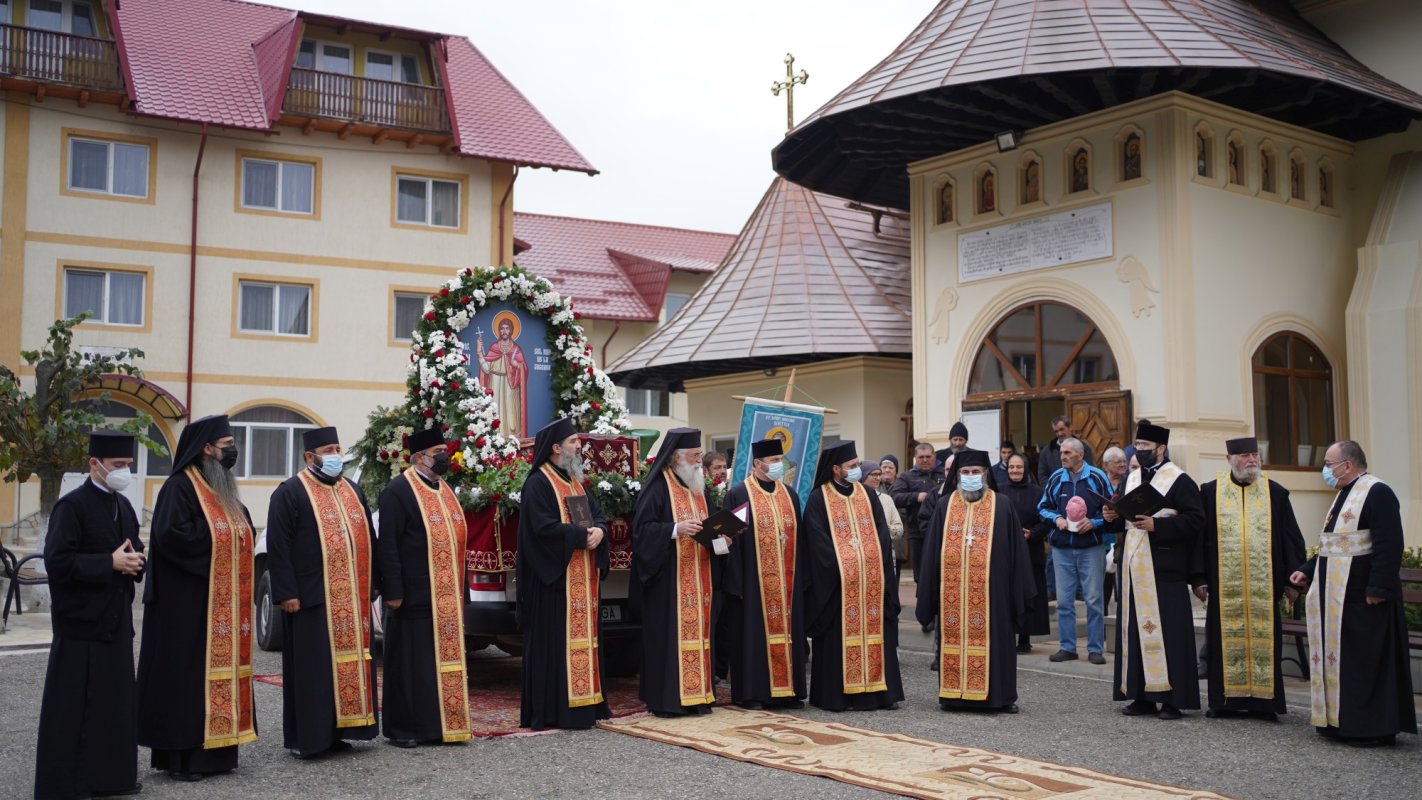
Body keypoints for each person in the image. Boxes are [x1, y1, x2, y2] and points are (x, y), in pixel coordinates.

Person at [137, 414, 256, 782]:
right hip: (185, 605)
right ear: (206, 449)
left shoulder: (220, 487)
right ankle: (183, 759)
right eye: (227, 445)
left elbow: (241, 526)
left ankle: (218, 754)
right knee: (186, 681)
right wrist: (223, 548)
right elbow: (173, 536)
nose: (232, 451)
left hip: (218, 604)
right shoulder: (179, 487)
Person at [35, 431, 145, 800]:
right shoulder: (72, 506)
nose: (123, 472)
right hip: (80, 626)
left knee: (113, 709)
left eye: (128, 465)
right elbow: (58, 563)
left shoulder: (123, 505)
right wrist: (109, 563)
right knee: (73, 711)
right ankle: (69, 784)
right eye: (117, 466)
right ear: (94, 464)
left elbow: (136, 548)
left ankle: (111, 778)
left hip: (115, 624)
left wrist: (135, 563)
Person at [1289, 440, 1416, 747]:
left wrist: (1378, 588)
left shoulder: (1377, 492)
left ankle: (1370, 728)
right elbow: (1331, 543)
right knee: (1341, 661)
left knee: (1364, 663)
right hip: (1337, 598)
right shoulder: (1343, 494)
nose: (1325, 471)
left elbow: (1389, 545)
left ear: (1347, 465)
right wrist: (1307, 568)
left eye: (1329, 464)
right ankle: (1337, 720)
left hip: (1362, 596)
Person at [265, 426, 378, 758]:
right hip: (310, 599)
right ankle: (310, 738)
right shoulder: (290, 492)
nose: (335, 455)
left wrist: (372, 584)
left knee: (345, 668)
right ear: (309, 456)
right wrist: (287, 593)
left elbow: (370, 539)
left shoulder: (353, 491)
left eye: (338, 448)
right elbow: (279, 547)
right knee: (313, 672)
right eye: (328, 449)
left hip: (350, 599)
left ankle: (342, 730)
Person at [1195, 437, 1305, 722]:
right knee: (1221, 643)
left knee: (1265, 644)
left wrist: (1293, 582)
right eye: (1245, 455)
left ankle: (1264, 705)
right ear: (1229, 458)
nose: (1252, 460)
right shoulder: (1210, 492)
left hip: (1264, 589)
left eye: (1255, 454)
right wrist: (1198, 578)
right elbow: (1198, 539)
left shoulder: (1275, 493)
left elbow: (1291, 538)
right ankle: (1224, 703)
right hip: (1223, 586)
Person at [918, 450, 1034, 713]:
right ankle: (954, 695)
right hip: (953, 596)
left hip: (995, 596)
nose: (970, 477)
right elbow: (932, 551)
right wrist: (929, 588)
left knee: (996, 642)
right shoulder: (945, 505)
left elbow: (1016, 553)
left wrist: (1017, 591)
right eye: (965, 473)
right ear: (957, 476)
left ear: (986, 475)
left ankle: (999, 697)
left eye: (976, 473)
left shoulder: (1002, 504)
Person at [376, 427, 471, 747]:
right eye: (437, 452)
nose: (444, 457)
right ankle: (404, 729)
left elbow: (458, 541)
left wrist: (463, 591)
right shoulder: (398, 491)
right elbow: (387, 544)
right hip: (413, 594)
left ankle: (442, 725)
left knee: (438, 665)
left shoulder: (444, 488)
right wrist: (393, 591)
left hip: (445, 594)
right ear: (418, 458)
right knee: (409, 665)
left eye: (445, 450)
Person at [1103, 422, 1205, 720]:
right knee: (1135, 631)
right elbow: (1121, 518)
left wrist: (1158, 525)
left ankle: (1172, 699)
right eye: (1137, 446)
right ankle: (1141, 696)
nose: (1139, 451)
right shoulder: (1132, 477)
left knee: (1169, 634)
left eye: (1145, 447)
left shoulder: (1180, 480)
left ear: (1161, 449)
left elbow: (1196, 521)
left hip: (1164, 569)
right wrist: (1110, 515)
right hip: (1134, 568)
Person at [516, 418, 611, 730]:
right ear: (556, 448)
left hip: (581, 581)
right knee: (554, 648)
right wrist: (580, 536)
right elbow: (541, 529)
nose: (578, 446)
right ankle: (556, 712)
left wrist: (599, 531)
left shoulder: (573, 481)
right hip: (554, 583)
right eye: (572, 442)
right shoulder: (538, 483)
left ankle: (584, 708)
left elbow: (595, 515)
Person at [801, 441, 904, 711]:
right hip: (837, 587)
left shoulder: (867, 495)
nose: (858, 469)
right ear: (836, 469)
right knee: (837, 640)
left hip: (870, 582)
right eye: (852, 466)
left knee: (877, 635)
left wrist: (874, 564)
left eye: (858, 464)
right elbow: (816, 542)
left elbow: (882, 533)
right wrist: (845, 566)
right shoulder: (818, 498)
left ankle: (878, 693)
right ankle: (838, 696)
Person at [631, 428, 724, 717]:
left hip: (700, 578)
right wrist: (674, 530)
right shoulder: (658, 487)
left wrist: (724, 539)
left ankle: (698, 697)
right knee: (669, 641)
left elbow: (710, 527)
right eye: (695, 456)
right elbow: (642, 532)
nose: (699, 462)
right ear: (676, 457)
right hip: (668, 581)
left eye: (699, 456)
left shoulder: (699, 487)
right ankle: (669, 700)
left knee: (701, 638)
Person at [723, 438, 806, 710]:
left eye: (779, 460)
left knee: (790, 635)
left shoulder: (790, 494)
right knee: (753, 637)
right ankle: (754, 694)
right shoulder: (740, 494)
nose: (777, 465)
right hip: (754, 582)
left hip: (787, 582)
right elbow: (730, 539)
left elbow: (800, 538)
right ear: (757, 464)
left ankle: (788, 692)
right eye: (772, 461)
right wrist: (737, 583)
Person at [1036, 437, 1113, 665]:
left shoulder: (1097, 477)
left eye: (1068, 452)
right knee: (1064, 601)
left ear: (1080, 455)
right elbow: (1042, 507)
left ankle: (1095, 649)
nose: (1062, 456)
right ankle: (1067, 647)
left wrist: (1095, 522)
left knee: (1094, 599)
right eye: (1062, 452)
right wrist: (1057, 517)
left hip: (1091, 548)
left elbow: (1111, 510)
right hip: (1062, 548)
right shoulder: (1056, 478)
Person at [999, 452, 1048, 654]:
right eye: (1011, 467)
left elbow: (1046, 520)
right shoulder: (999, 492)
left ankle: (1025, 638)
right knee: (1007, 593)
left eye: (1019, 467)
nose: (1015, 471)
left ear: (1026, 469)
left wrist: (1032, 533)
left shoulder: (1038, 492)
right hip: (1006, 551)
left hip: (1031, 551)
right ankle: (1007, 635)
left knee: (1029, 593)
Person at [890, 443, 943, 583]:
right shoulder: (907, 477)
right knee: (921, 575)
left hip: (942, 531)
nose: (925, 460)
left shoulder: (944, 474)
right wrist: (916, 496)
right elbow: (895, 498)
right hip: (917, 533)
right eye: (921, 457)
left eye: (928, 456)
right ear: (915, 458)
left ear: (934, 456)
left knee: (941, 573)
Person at [1100, 446, 1129, 616]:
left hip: (1121, 540)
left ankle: (1120, 622)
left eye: (1124, 461)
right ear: (1106, 465)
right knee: (1103, 586)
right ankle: (1104, 626)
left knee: (1121, 587)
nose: (1122, 465)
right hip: (1103, 539)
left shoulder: (1129, 482)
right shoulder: (1099, 482)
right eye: (1118, 461)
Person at [1036, 415, 1096, 485]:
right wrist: (1052, 490)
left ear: (1070, 427)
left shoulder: (1083, 447)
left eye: (1062, 429)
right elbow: (1042, 475)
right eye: (1056, 431)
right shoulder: (1047, 451)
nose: (1059, 434)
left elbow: (1089, 470)